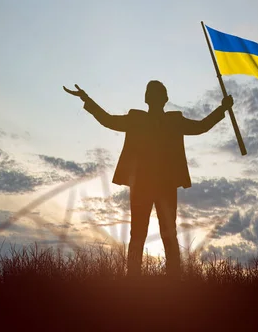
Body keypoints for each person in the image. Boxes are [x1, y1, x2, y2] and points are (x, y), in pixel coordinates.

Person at [63, 81, 233, 278]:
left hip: (162, 185)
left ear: (160, 99)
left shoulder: (172, 121)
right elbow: (108, 120)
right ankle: (139, 280)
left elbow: (201, 126)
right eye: (151, 94)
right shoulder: (138, 119)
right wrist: (87, 99)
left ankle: (169, 280)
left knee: (163, 234)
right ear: (152, 98)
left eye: (155, 94)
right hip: (144, 185)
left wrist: (223, 108)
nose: (152, 97)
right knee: (142, 234)